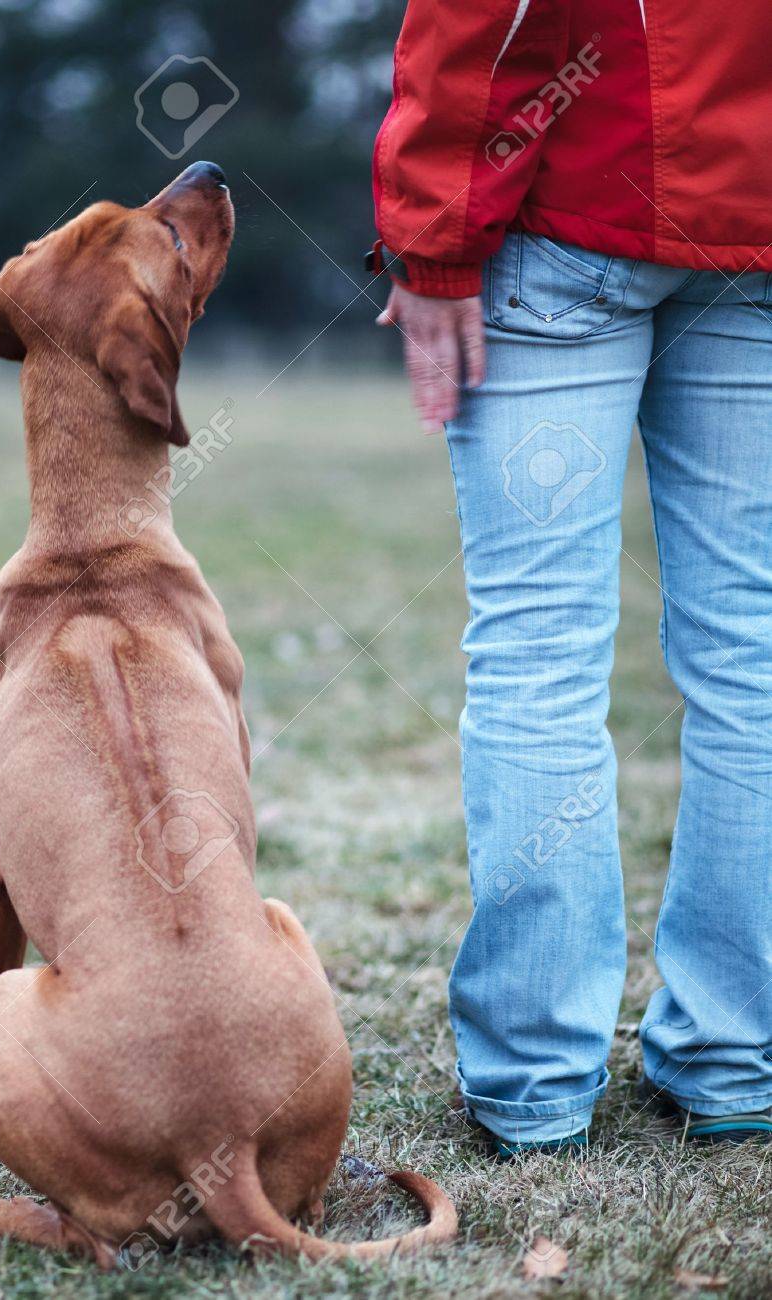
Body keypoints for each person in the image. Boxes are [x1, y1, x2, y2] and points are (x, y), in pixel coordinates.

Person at [371, 0, 772, 1156]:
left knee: (537, 651)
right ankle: (736, 1057)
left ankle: (535, 1081)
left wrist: (435, 235)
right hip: (754, 230)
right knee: (751, 655)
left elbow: (477, 14)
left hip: (566, 211)